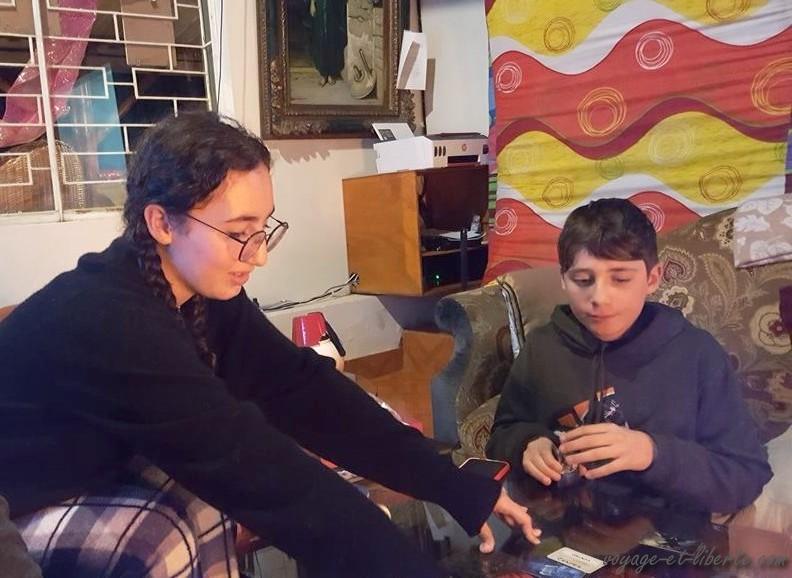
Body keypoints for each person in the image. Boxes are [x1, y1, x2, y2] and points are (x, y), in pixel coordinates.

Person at [0, 112, 539, 578]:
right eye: (240, 232)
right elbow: (260, 471)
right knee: (181, 524)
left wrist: (454, 485)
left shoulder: (197, 290)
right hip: (22, 502)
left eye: (263, 229)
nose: (258, 256)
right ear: (161, 222)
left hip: (100, 462)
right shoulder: (113, 319)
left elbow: (303, 390)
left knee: (223, 500)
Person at [486, 198, 772, 514]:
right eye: (583, 280)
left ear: (652, 278)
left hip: (667, 529)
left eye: (621, 279)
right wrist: (527, 443)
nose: (599, 297)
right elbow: (503, 432)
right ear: (563, 279)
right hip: (562, 525)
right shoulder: (543, 347)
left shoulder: (696, 354)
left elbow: (746, 475)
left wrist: (652, 453)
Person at [309, 0, 347, 86]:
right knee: (320, 39)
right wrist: (312, 3)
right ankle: (323, 74)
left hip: (332, 5)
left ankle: (331, 74)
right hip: (320, 4)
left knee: (332, 39)